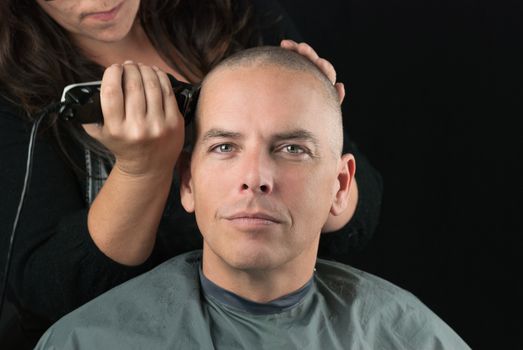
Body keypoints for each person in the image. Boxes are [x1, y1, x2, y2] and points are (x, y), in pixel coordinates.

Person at [0, 0, 382, 347]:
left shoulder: (235, 14)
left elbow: (355, 214)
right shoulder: (12, 90)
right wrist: (141, 170)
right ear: (187, 180)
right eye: (224, 147)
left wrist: (313, 115)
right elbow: (58, 297)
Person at [35, 46, 469, 349]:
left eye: (292, 149)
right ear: (187, 182)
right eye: (225, 147)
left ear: (339, 186)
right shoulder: (86, 341)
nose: (256, 178)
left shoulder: (410, 337)